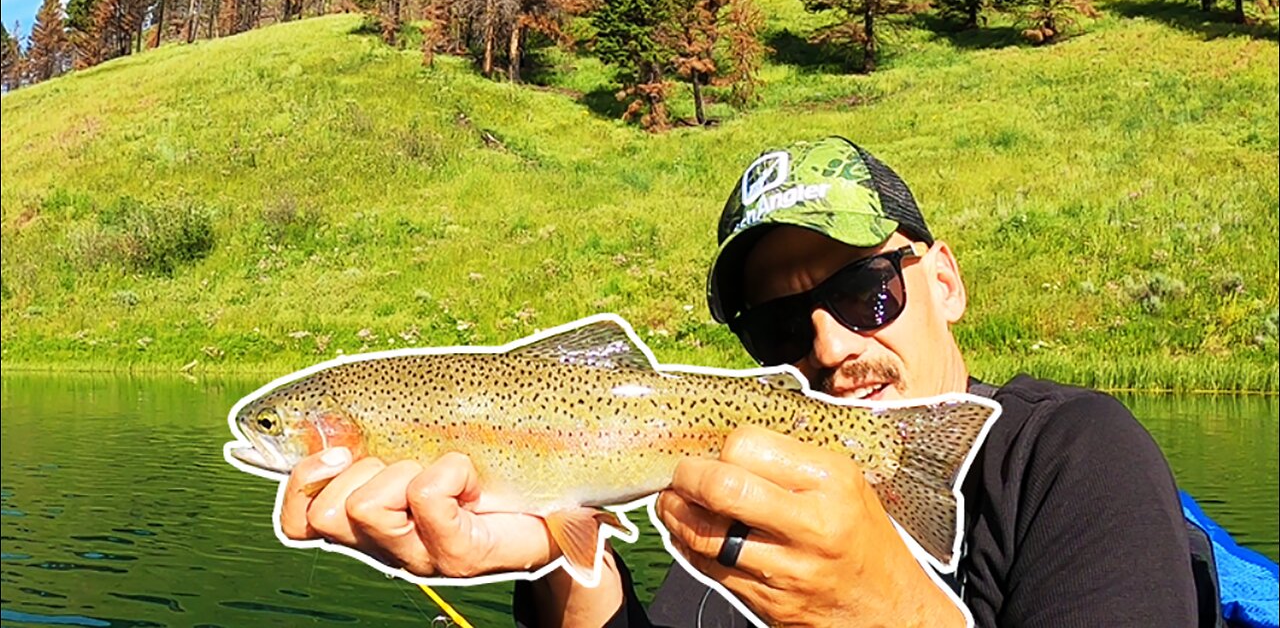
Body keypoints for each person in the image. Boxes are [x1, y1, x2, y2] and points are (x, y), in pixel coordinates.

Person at [277, 136, 1199, 626]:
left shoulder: (1069, 456)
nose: (831, 343)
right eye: (778, 323)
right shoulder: (730, 501)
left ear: (944, 280)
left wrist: (881, 615)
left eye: (865, 291)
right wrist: (558, 555)